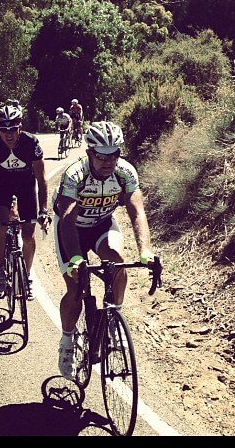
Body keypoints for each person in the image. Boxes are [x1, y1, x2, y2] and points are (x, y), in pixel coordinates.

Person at [52, 121, 155, 379]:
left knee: (117, 261)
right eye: (101, 156)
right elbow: (66, 218)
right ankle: (67, 341)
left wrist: (146, 251)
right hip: (72, 228)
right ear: (89, 153)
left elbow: (137, 211)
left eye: (114, 154)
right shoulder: (75, 174)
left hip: (101, 225)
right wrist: (76, 258)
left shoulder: (125, 172)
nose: (108, 161)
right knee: (76, 288)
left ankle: (112, 318)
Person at [0, 104, 49, 299]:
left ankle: (26, 276)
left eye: (13, 129)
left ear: (20, 127)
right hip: (1, 184)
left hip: (25, 184)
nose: (8, 134)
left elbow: (42, 179)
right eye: (3, 129)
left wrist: (43, 210)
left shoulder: (31, 143)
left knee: (28, 232)